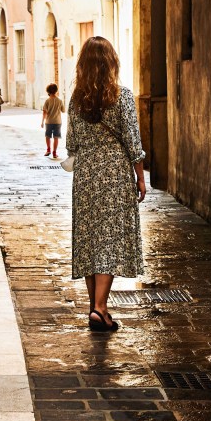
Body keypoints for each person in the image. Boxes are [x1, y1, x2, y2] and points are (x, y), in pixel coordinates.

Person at [65, 36, 146, 332]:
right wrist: (140, 176)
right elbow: (133, 142)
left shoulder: (75, 101)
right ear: (111, 63)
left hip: (86, 174)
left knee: (89, 239)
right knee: (109, 240)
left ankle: (95, 308)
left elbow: (71, 144)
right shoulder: (122, 97)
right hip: (114, 173)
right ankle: (100, 308)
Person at [41, 83, 65, 158]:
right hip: (58, 122)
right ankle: (54, 153)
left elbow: (44, 112)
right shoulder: (60, 100)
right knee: (56, 137)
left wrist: (42, 122)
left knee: (47, 136)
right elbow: (63, 111)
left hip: (49, 122)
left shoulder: (47, 101)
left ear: (48, 91)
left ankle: (48, 150)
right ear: (56, 90)